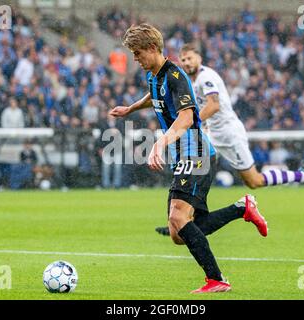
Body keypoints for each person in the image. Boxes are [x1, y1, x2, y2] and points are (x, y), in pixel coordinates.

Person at [110, 24, 267, 293]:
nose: (135, 59)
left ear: (151, 48)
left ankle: (217, 279)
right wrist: (131, 108)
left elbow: (186, 117)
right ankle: (242, 208)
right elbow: (155, 96)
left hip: (196, 152)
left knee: (178, 218)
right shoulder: (155, 75)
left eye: (137, 53)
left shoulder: (176, 76)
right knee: (178, 233)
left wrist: (159, 142)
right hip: (184, 154)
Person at [155, 43, 304, 237]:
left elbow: (214, 105)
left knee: (254, 180)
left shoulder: (206, 77)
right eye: (183, 59)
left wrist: (193, 123)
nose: (186, 62)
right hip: (211, 134)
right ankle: (182, 221)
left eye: (190, 58)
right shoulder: (189, 81)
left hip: (228, 134)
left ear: (199, 58)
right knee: (194, 168)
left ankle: (302, 175)